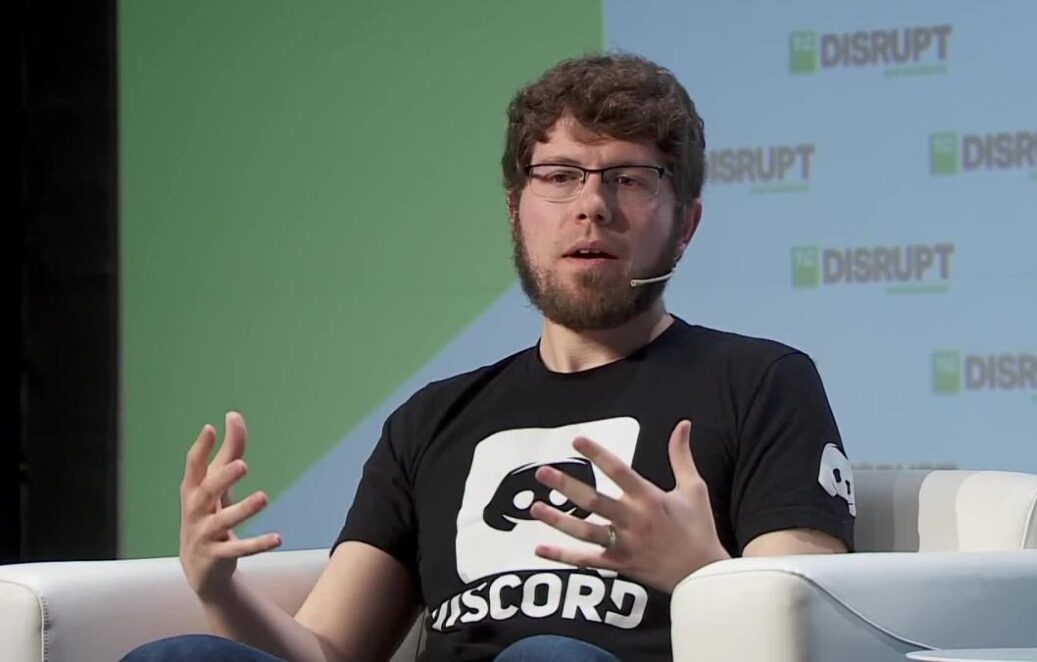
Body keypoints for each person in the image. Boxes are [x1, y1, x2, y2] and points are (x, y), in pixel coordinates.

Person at [122, 52, 855, 662]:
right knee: (178, 656)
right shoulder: (433, 419)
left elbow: (814, 629)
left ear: (685, 224)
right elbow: (327, 651)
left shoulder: (761, 383)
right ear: (516, 210)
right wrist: (219, 589)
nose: (592, 206)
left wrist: (700, 571)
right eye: (560, 176)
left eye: (629, 179)